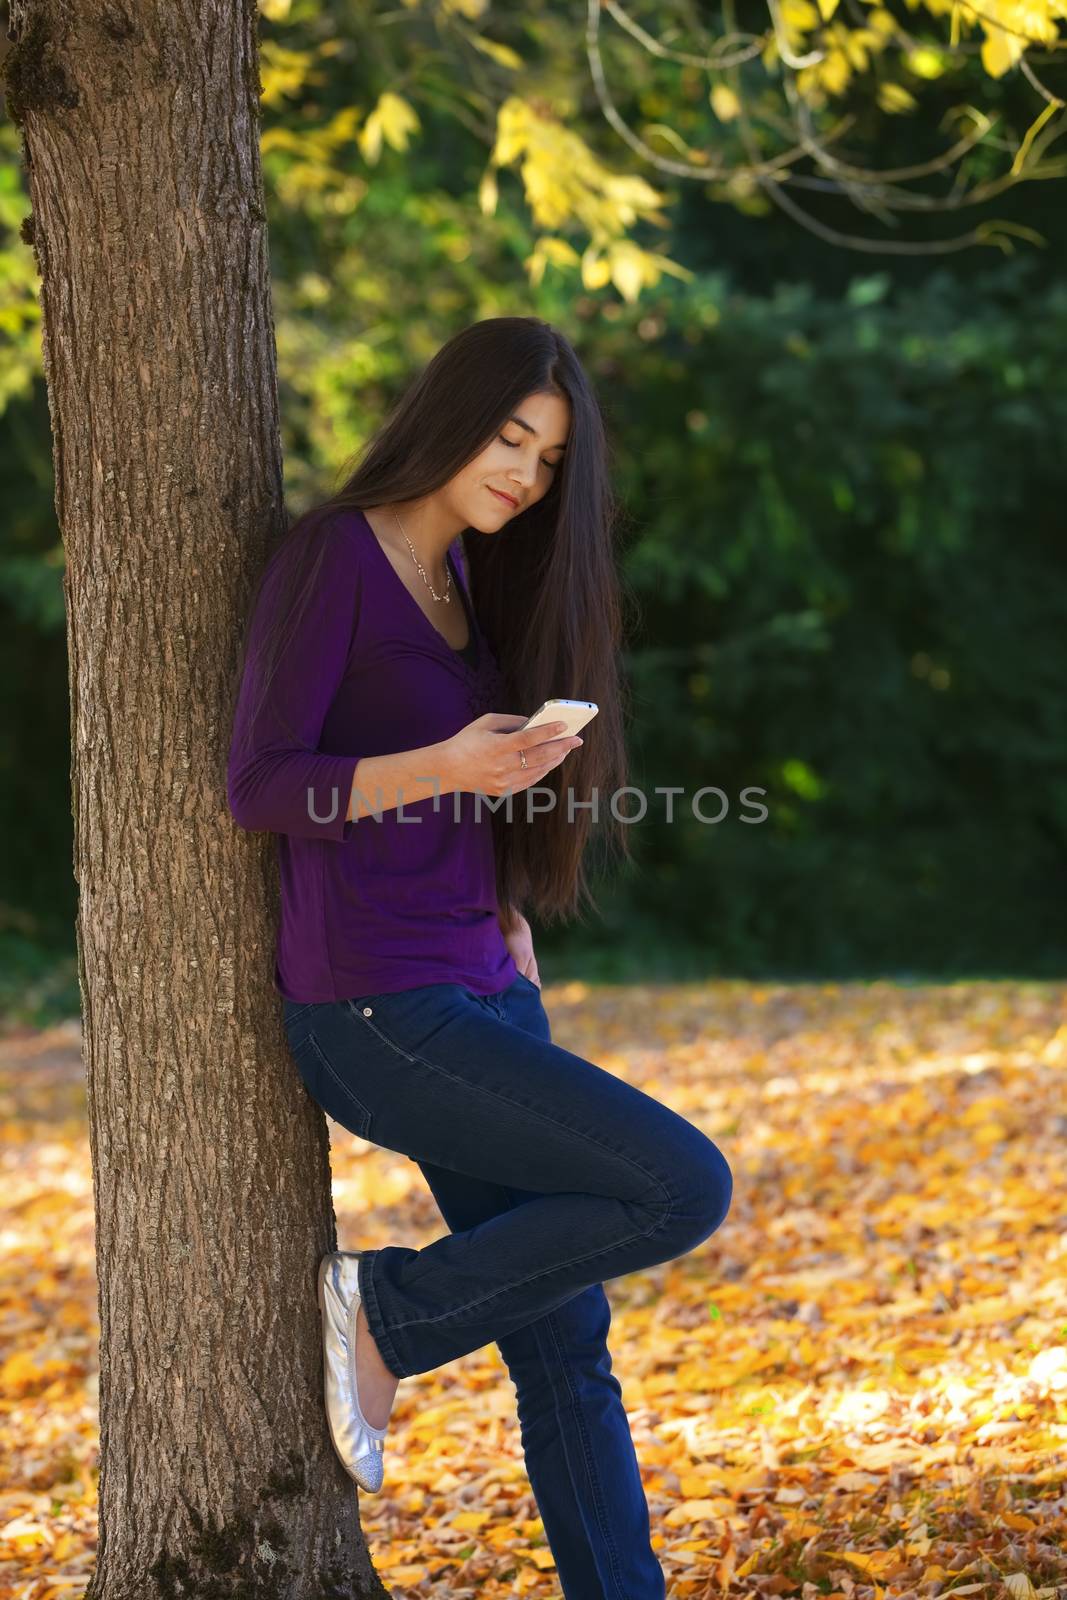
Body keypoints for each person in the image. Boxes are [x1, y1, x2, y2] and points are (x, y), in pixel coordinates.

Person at [226, 316, 733, 1599]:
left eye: (549, 457)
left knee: (569, 1342)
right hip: (375, 1005)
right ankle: (385, 1318)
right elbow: (263, 783)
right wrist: (447, 766)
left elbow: (459, 792)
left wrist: (504, 882)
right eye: (511, 439)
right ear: (450, 418)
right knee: (680, 1185)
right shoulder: (331, 559)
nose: (524, 472)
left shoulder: (470, 587)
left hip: (483, 985)